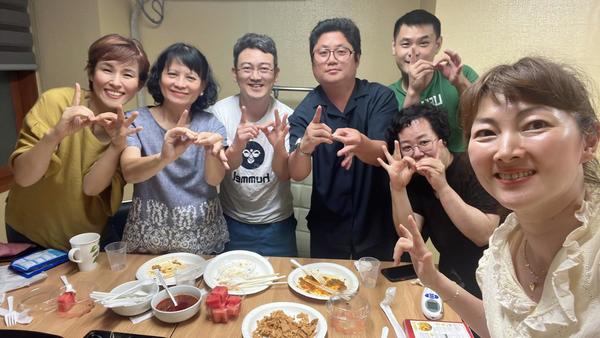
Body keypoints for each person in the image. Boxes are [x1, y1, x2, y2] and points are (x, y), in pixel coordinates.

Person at [393, 57, 600, 337]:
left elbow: (481, 233)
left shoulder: (467, 172)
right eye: (487, 132)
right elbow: (503, 327)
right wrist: (434, 280)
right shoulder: (504, 246)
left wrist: (442, 186)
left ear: (589, 140)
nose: (505, 151)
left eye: (534, 124)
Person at [5, 34, 149, 250]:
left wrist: (116, 146)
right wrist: (56, 134)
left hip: (86, 239)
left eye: (127, 74)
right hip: (29, 233)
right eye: (107, 69)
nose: (115, 82)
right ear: (91, 72)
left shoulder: (128, 128)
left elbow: (91, 189)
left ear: (138, 85)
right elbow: (24, 177)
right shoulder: (56, 102)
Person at [288, 18, 398, 260]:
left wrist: (362, 144)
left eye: (341, 51)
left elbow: (383, 152)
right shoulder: (306, 110)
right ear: (313, 62)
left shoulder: (380, 97)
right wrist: (304, 149)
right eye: (323, 52)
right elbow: (296, 173)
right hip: (327, 228)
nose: (331, 59)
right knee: (325, 292)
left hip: (376, 225)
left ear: (356, 58)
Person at [378, 103, 503, 298]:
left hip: (494, 281)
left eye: (424, 142)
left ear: (442, 139)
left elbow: (484, 234)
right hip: (451, 278)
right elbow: (410, 234)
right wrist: (397, 187)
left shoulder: (473, 167)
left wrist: (442, 187)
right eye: (407, 147)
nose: (417, 152)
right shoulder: (416, 178)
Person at [120, 43, 230, 255]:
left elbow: (214, 180)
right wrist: (163, 157)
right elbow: (129, 172)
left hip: (201, 240)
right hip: (147, 243)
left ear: (202, 86)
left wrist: (212, 153)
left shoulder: (211, 125)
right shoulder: (136, 120)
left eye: (190, 77)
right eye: (172, 74)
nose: (180, 84)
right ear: (159, 78)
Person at [208, 33, 297, 256]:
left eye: (264, 69)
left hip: (277, 224)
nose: (256, 76)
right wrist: (237, 145)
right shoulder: (218, 113)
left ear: (275, 74)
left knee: (280, 288)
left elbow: (285, 174)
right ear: (235, 73)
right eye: (247, 68)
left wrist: (278, 148)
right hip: (231, 221)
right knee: (231, 285)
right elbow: (217, 173)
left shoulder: (287, 116)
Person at [390, 9, 478, 152]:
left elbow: (486, 118)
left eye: (423, 43)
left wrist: (460, 83)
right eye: (405, 44)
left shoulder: (464, 73)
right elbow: (399, 146)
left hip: (464, 166)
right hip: (419, 170)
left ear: (437, 44)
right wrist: (413, 91)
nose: (414, 52)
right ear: (394, 47)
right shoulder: (386, 96)